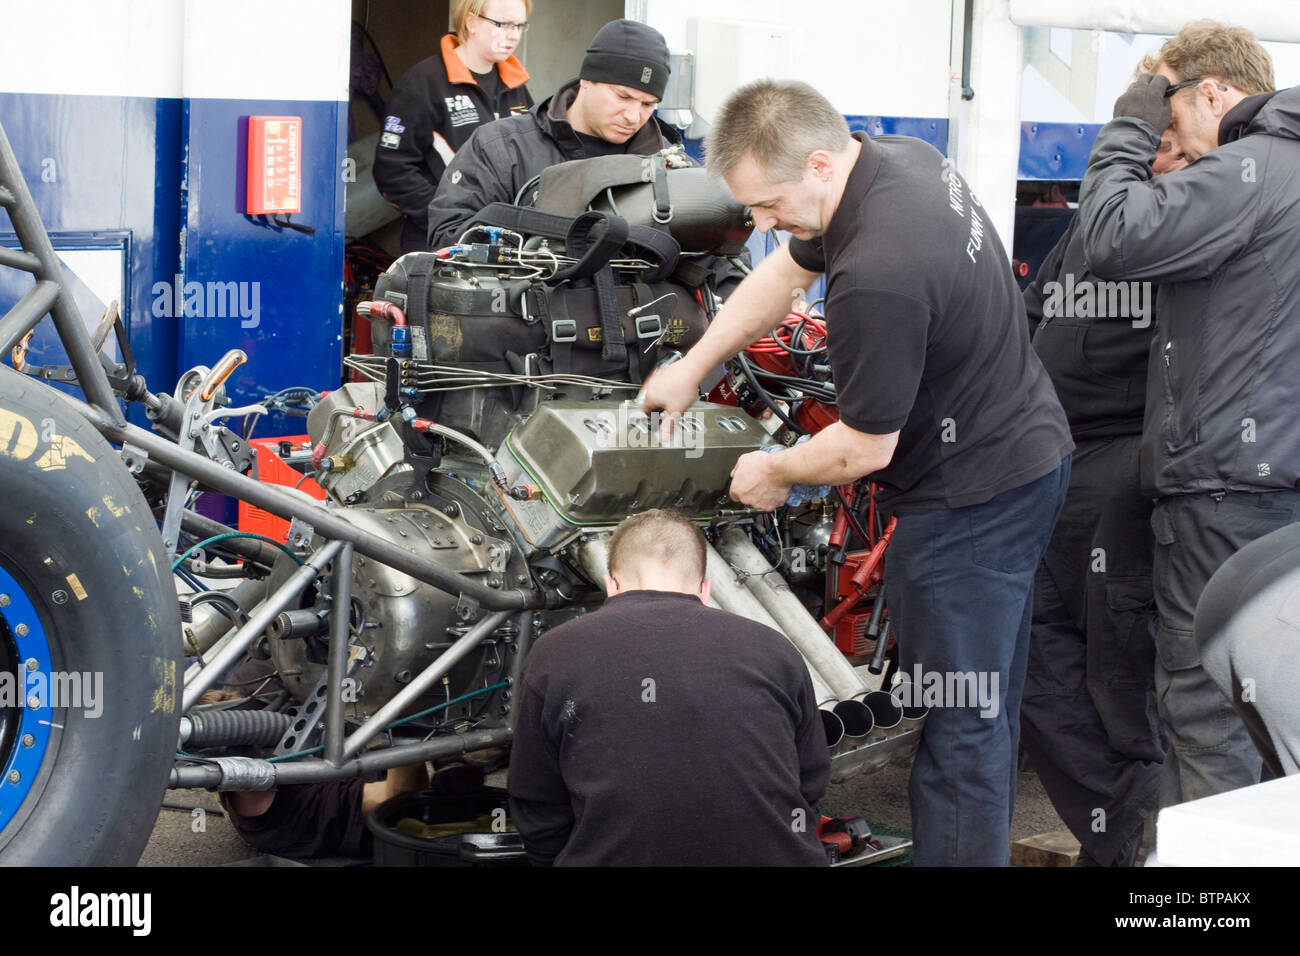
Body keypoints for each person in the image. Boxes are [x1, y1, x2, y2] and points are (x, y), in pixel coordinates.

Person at [640, 80, 1073, 865]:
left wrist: (774, 472)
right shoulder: (898, 161)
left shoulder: (878, 270)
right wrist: (693, 365)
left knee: (959, 726)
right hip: (1026, 455)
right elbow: (782, 276)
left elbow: (866, 448)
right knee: (987, 705)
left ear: (816, 162)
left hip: (970, 502)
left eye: (769, 206)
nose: (763, 227)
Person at [1076, 20, 1298, 806]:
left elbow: (1111, 234)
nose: (1169, 140)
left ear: (1211, 92)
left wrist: (1127, 128)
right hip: (1274, 488)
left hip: (1227, 494)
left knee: (1206, 713)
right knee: (1278, 715)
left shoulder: (1256, 168)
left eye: (1171, 119)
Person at [1017, 68, 1186, 866]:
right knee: (1034, 674)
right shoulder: (1100, 221)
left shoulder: (1205, 215)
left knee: (1125, 685)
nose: (1155, 149)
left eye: (1163, 130)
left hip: (1125, 475)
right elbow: (1034, 310)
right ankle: (1113, 838)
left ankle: (1134, 852)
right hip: (1046, 468)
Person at [507, 509, 830, 866]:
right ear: (705, 588)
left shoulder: (554, 652)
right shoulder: (775, 647)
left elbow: (536, 798)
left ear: (611, 583)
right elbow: (810, 780)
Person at [425, 18, 676, 249]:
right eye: (623, 96)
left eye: (648, 104)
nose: (633, 116)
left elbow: (709, 261)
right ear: (587, 80)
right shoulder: (499, 148)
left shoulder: (668, 164)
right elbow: (448, 238)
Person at [373, 0, 533, 253]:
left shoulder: (516, 87)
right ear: (470, 22)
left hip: (504, 247)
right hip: (437, 245)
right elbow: (392, 171)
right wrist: (449, 220)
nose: (513, 35)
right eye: (502, 24)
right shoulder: (424, 82)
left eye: (520, 26)